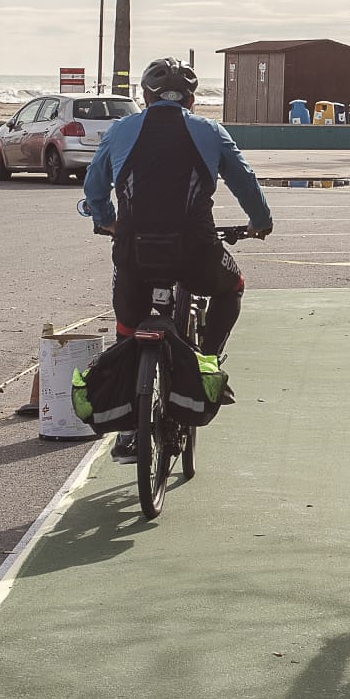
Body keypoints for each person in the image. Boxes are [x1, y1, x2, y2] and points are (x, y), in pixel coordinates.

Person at [83, 57, 274, 456]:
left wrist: (106, 221)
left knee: (127, 325)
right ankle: (208, 362)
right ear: (190, 100)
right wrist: (260, 222)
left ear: (145, 96)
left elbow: (94, 186)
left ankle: (128, 428)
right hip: (195, 251)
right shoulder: (210, 130)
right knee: (232, 287)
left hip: (134, 252)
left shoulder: (121, 130)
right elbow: (244, 180)